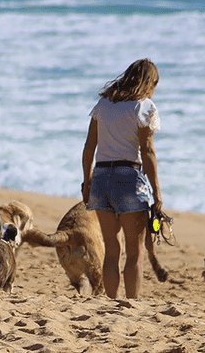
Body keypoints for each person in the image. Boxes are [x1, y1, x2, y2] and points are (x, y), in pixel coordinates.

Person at [81, 58, 163, 299]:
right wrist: (157, 193)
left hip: (102, 177)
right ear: (149, 82)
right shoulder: (144, 107)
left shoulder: (103, 105)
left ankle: (111, 302)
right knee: (134, 252)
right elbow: (147, 152)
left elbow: (89, 148)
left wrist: (87, 183)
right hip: (129, 178)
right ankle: (132, 304)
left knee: (111, 249)